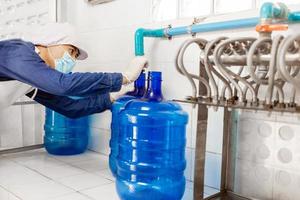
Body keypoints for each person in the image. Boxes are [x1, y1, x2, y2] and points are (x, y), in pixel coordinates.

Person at [0, 23, 148, 118]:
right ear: (50, 42)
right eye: (71, 51)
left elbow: (69, 107)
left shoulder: (35, 75)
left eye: (75, 56)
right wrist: (124, 77)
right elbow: (63, 85)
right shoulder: (17, 52)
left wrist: (112, 97)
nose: (72, 60)